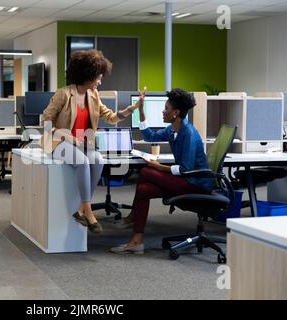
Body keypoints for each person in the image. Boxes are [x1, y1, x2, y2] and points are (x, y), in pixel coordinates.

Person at [41, 49, 143, 234]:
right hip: (58, 141)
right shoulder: (63, 94)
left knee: (98, 160)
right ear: (86, 75)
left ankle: (81, 209)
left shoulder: (93, 95)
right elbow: (46, 122)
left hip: (82, 143)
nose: (100, 81)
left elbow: (111, 117)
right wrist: (68, 137)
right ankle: (88, 211)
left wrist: (131, 109)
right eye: (98, 77)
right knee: (82, 161)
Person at [110, 88, 213, 253]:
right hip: (185, 180)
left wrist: (156, 166)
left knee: (145, 172)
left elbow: (185, 169)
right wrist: (141, 110)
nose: (163, 111)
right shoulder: (173, 129)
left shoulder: (188, 133)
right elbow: (149, 136)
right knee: (144, 190)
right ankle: (137, 241)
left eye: (166, 108)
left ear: (176, 112)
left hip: (196, 183)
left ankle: (132, 217)